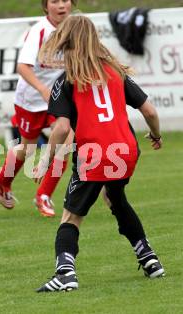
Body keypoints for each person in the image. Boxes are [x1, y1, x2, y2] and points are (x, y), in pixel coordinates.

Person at [34, 15, 165, 292]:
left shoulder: (68, 79)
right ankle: (149, 258)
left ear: (66, 41)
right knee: (114, 198)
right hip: (126, 151)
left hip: (93, 154)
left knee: (70, 217)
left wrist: (46, 160)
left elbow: (61, 128)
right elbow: (150, 111)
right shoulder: (115, 71)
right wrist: (156, 134)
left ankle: (65, 274)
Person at [0, 0, 76, 217]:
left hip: (59, 100)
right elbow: (22, 66)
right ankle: (3, 180)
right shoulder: (40, 31)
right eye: (54, 1)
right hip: (31, 100)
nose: (60, 5)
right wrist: (42, 89)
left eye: (65, 0)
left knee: (66, 141)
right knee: (28, 148)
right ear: (45, 6)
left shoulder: (76, 29)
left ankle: (44, 195)